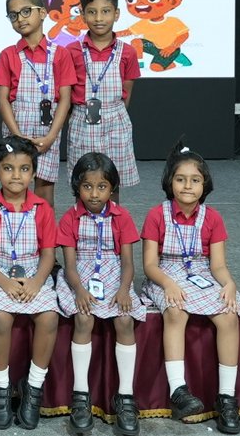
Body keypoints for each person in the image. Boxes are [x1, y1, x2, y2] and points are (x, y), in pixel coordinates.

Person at [141, 143, 240, 435]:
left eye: (195, 179)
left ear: (205, 184)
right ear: (169, 182)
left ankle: (227, 397)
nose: (188, 185)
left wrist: (230, 284)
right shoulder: (156, 215)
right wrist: (167, 283)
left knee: (228, 313)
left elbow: (218, 266)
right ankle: (179, 391)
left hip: (200, 272)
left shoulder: (213, 218)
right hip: (166, 275)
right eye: (180, 179)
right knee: (175, 312)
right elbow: (150, 264)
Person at [0, 137, 60, 431]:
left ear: (33, 173)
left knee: (48, 317)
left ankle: (33, 388)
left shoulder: (43, 209)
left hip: (34, 272)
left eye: (24, 169)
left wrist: (37, 281)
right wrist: (4, 283)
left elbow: (49, 254)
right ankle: (0, 389)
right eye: (8, 169)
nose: (16, 176)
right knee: (0, 317)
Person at [57, 153, 145, 436]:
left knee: (124, 319)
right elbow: (69, 265)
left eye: (102, 187)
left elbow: (129, 263)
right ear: (76, 187)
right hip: (80, 275)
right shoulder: (70, 218)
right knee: (83, 319)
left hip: (114, 273)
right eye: (87, 186)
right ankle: (80, 395)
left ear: (112, 188)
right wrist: (79, 290)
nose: (94, 194)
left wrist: (123, 288)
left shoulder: (122, 217)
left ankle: (125, 395)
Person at [0, 0, 77, 213]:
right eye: (13, 15)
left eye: (26, 11)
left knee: (44, 194)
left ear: (42, 13)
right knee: (14, 188)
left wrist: (51, 136)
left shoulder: (61, 54)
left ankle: (44, 245)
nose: (19, 19)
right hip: (16, 130)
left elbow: (66, 99)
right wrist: (17, 135)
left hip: (47, 134)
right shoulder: (8, 54)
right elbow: (2, 100)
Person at [67, 0, 141, 195]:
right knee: (83, 180)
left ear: (116, 14)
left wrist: (111, 113)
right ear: (82, 15)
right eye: (92, 12)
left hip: (115, 122)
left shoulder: (127, 52)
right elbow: (67, 93)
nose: (99, 19)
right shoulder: (71, 51)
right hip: (82, 121)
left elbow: (126, 93)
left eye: (106, 11)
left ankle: (113, 226)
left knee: (112, 181)